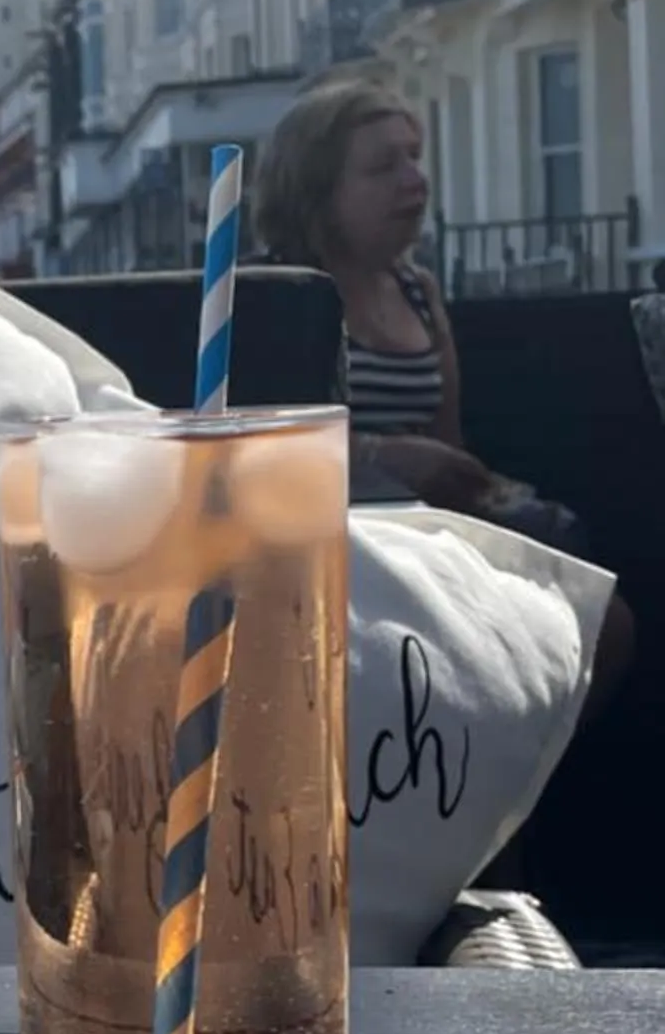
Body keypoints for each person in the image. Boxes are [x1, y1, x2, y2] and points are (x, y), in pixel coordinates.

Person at [253, 73, 633, 703]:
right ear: (317, 191)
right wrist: (380, 455)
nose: (415, 180)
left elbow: (447, 441)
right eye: (384, 166)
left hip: (431, 537)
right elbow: (251, 454)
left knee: (603, 625)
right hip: (331, 553)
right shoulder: (275, 298)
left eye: (415, 157)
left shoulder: (418, 291)